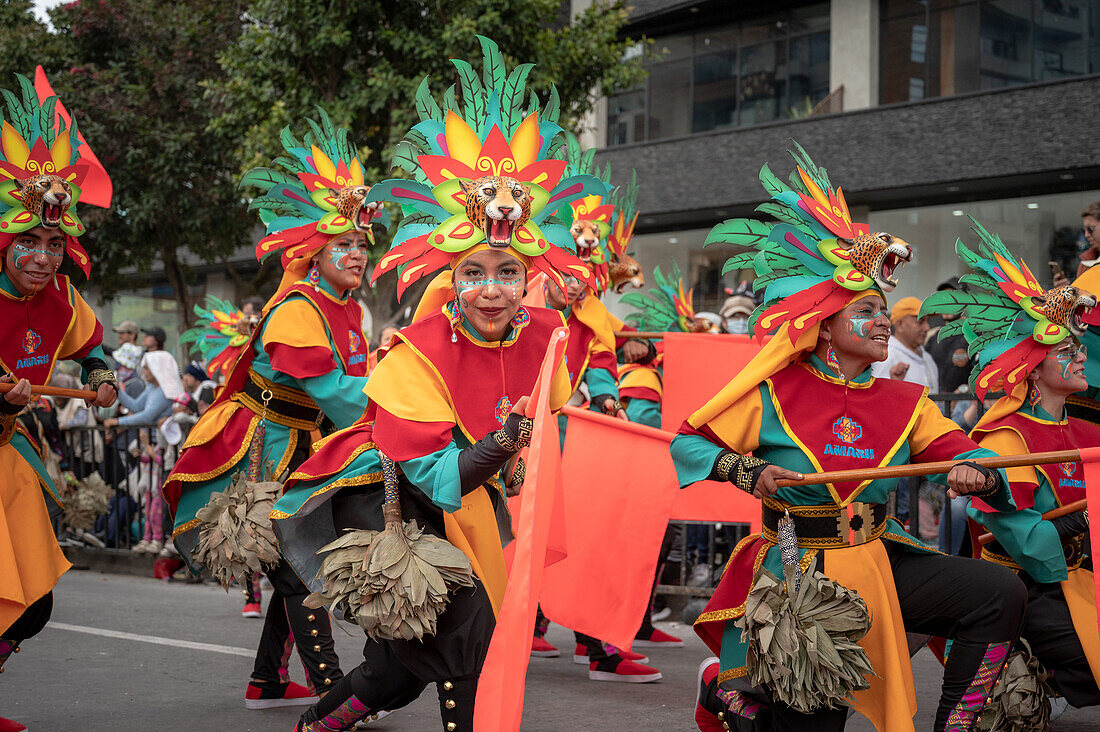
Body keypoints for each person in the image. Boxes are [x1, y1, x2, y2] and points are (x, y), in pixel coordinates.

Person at [270, 41, 606, 730]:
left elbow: (555, 415)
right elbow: (429, 472)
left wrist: (529, 448)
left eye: (507, 273)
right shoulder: (415, 350)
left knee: (404, 660)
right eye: (473, 272)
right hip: (392, 493)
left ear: (528, 277)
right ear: (449, 278)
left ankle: (324, 718)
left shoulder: (547, 334)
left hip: (475, 495)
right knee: (465, 630)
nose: (491, 289)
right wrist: (505, 443)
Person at [679, 144, 1026, 732]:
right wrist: (749, 473)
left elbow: (961, 451)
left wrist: (980, 471)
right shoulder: (772, 389)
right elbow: (687, 444)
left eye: (884, 309)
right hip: (796, 568)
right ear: (824, 329)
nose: (883, 320)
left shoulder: (904, 401)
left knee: (997, 592)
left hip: (876, 556)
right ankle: (726, 688)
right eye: (865, 309)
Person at [163, 109, 377, 711]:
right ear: (315, 253)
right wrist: (399, 405)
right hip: (265, 446)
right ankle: (333, 688)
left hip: (307, 443)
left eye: (362, 243)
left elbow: (345, 392)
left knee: (293, 558)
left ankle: (265, 679)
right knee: (293, 562)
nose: (358, 254)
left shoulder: (346, 309)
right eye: (345, 245)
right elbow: (336, 392)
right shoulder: (296, 310)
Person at [923, 225, 1100, 713]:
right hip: (1034, 588)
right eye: (1065, 351)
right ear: (1034, 369)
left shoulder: (1091, 435)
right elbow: (1033, 549)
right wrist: (1088, 518)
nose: (1081, 354)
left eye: (1079, 346)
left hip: (1086, 579)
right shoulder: (1007, 438)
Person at [0, 71, 117, 731]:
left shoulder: (60, 300)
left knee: (32, 603)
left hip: (11, 457)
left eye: (52, 244)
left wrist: (103, 377)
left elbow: (91, 347)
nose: (42, 257)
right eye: (28, 242)